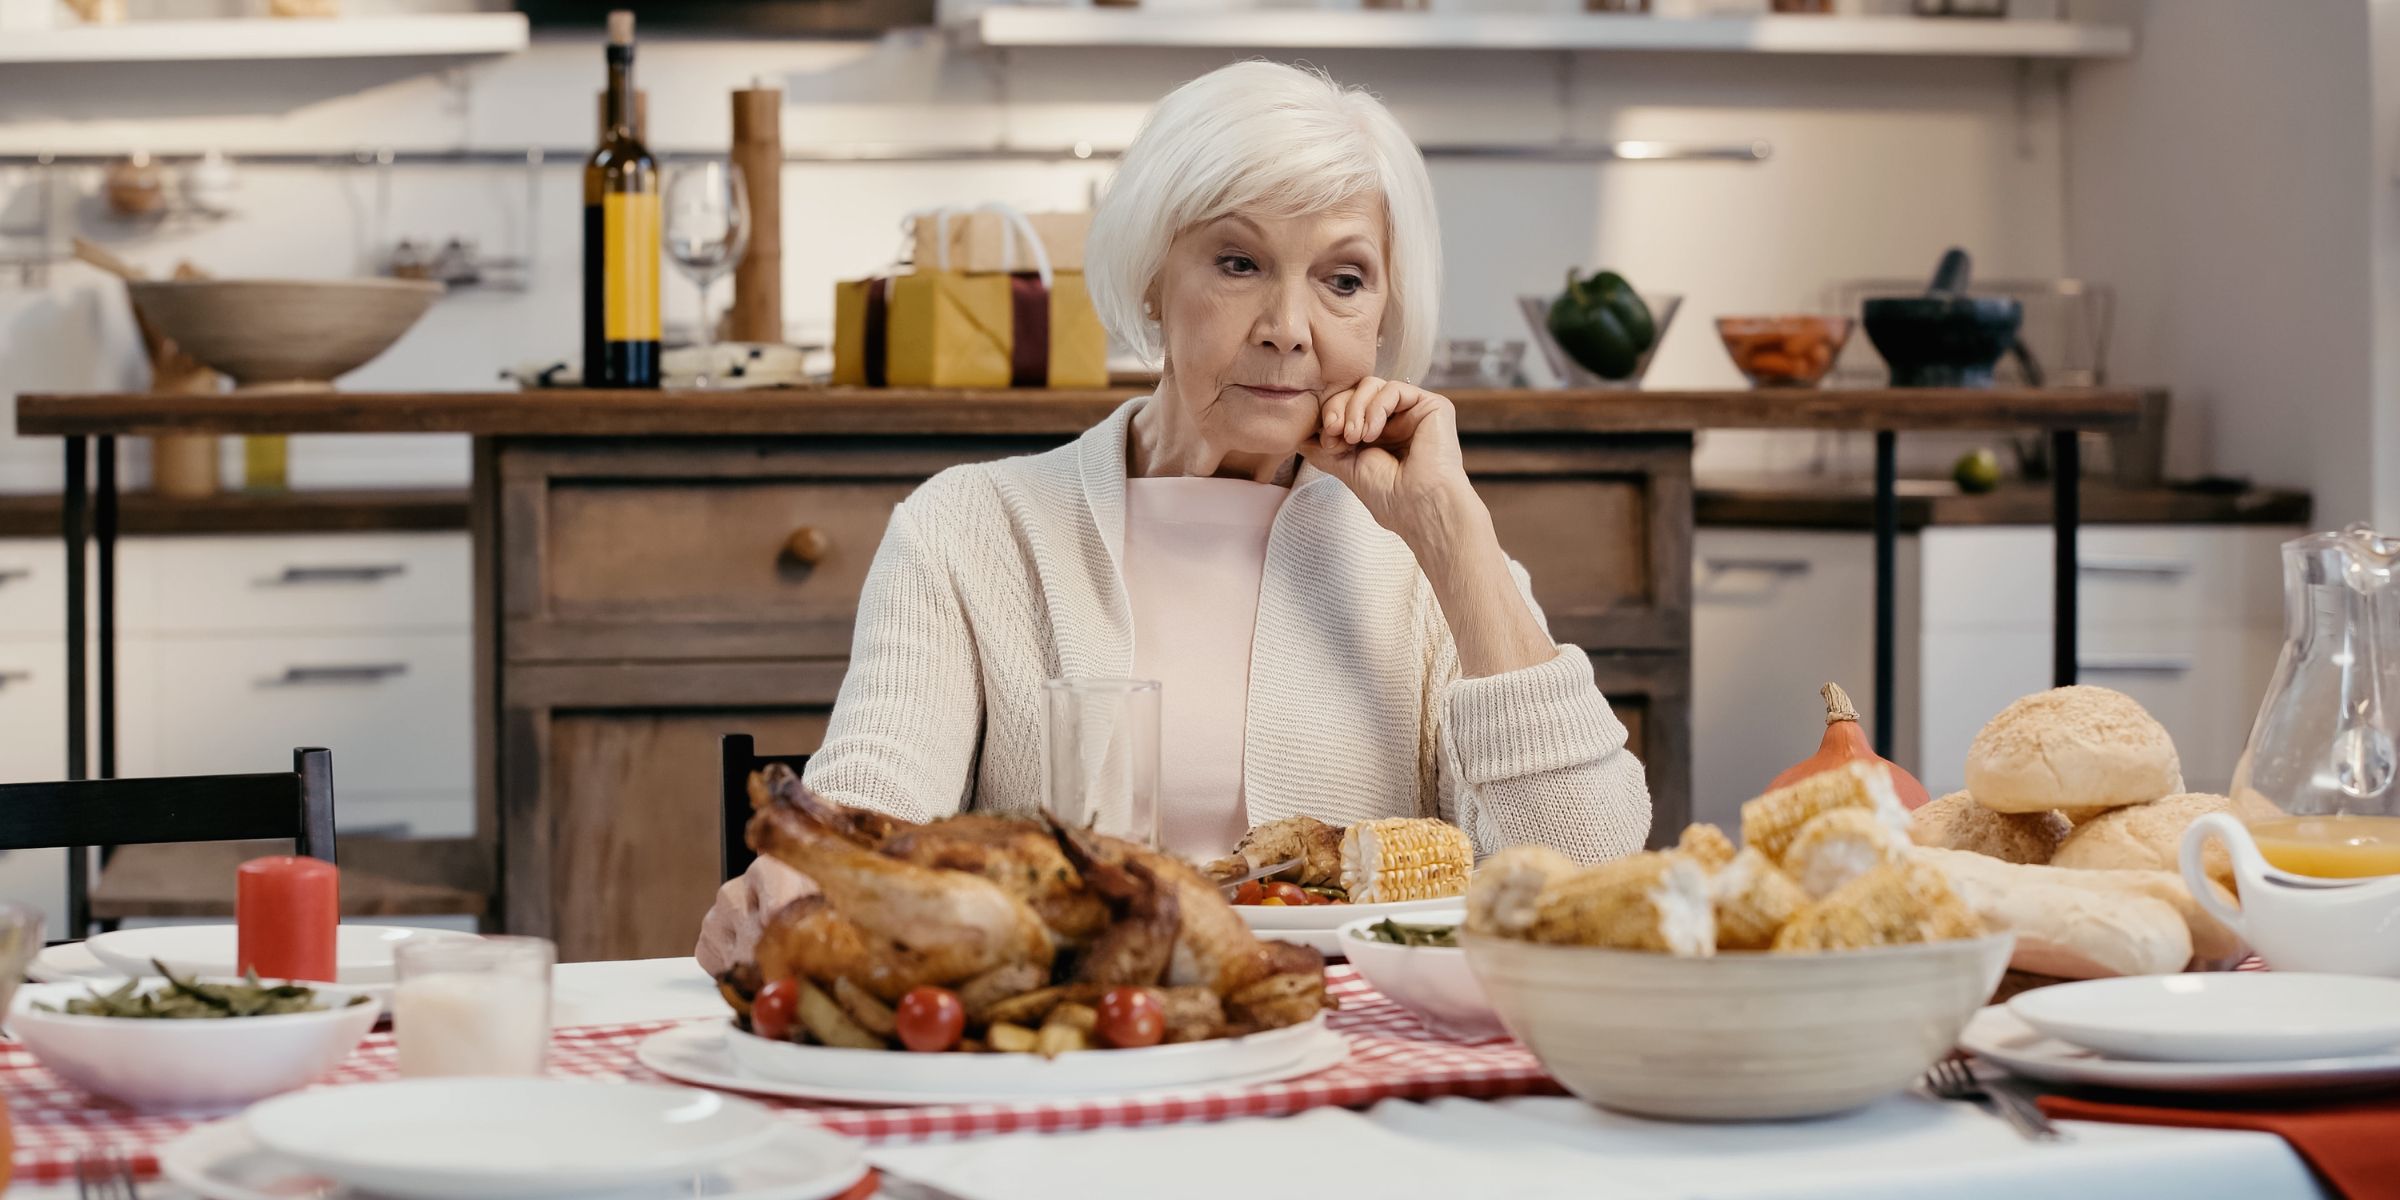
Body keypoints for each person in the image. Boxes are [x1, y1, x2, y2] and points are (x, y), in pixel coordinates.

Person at [698, 61, 1649, 973]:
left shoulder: (1424, 562)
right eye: (1239, 262)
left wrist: (1453, 535)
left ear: (1384, 313)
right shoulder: (968, 529)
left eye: (1343, 279)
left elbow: (1590, 872)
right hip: (1080, 1056)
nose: (1289, 324)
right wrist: (799, 879)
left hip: (1352, 1063)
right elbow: (872, 810)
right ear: (1154, 278)